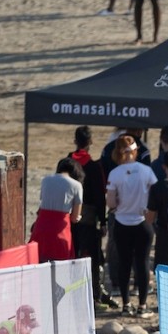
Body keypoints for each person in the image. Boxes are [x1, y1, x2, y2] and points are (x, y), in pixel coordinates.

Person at [106, 135, 157, 318]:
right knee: (142, 264)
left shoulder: (115, 174)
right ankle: (143, 305)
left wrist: (119, 203)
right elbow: (154, 194)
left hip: (122, 222)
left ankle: (126, 304)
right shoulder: (146, 171)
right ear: (135, 151)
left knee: (124, 263)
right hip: (142, 222)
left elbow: (111, 203)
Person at [67, 127, 112, 307]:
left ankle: (71, 292)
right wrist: (103, 221)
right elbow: (100, 196)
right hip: (89, 218)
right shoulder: (94, 167)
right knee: (92, 258)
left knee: (71, 255)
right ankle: (93, 294)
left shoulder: (66, 163)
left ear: (75, 140)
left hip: (69, 218)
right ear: (90, 142)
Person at [29, 159, 83, 263]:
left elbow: (42, 202)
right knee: (61, 264)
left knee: (38, 260)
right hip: (60, 229)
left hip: (42, 225)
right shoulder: (76, 185)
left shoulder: (46, 180)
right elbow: (75, 218)